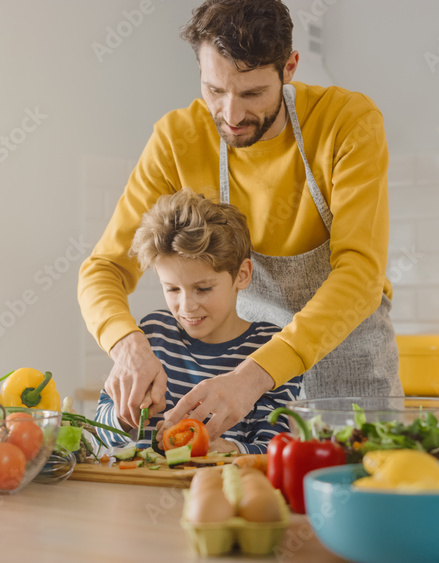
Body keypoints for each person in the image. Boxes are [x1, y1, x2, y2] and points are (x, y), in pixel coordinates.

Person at [78, 0, 402, 443]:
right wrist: (127, 345)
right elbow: (104, 269)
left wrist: (255, 378)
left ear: (289, 68)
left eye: (251, 94)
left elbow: (361, 274)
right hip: (239, 382)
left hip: (348, 377)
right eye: (215, 90)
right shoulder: (177, 139)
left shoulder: (346, 123)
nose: (230, 116)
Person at [93, 190, 300, 454]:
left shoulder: (270, 348)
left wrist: (227, 448)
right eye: (172, 290)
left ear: (242, 275)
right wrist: (124, 416)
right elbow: (99, 433)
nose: (187, 306)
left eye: (203, 289)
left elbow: (276, 450)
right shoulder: (154, 334)